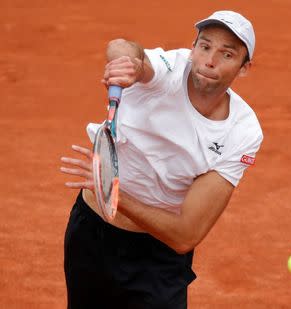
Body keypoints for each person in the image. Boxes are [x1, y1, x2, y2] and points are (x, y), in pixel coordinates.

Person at [60, 10, 263, 308]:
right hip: (91, 236)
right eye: (204, 47)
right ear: (193, 49)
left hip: (158, 259)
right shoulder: (170, 69)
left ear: (244, 68)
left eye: (227, 54)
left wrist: (111, 191)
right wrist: (125, 64)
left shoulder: (242, 132)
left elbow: (185, 235)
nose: (210, 60)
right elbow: (124, 48)